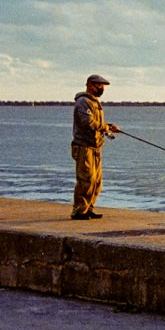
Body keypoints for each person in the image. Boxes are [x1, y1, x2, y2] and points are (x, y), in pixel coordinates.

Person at [70, 74, 120, 220]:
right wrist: (105, 127)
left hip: (95, 147)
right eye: (99, 85)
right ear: (90, 85)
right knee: (86, 179)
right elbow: (88, 122)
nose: (102, 88)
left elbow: (96, 124)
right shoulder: (83, 102)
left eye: (103, 86)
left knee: (96, 181)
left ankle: (88, 208)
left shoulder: (95, 102)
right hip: (83, 147)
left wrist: (109, 127)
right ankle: (79, 211)